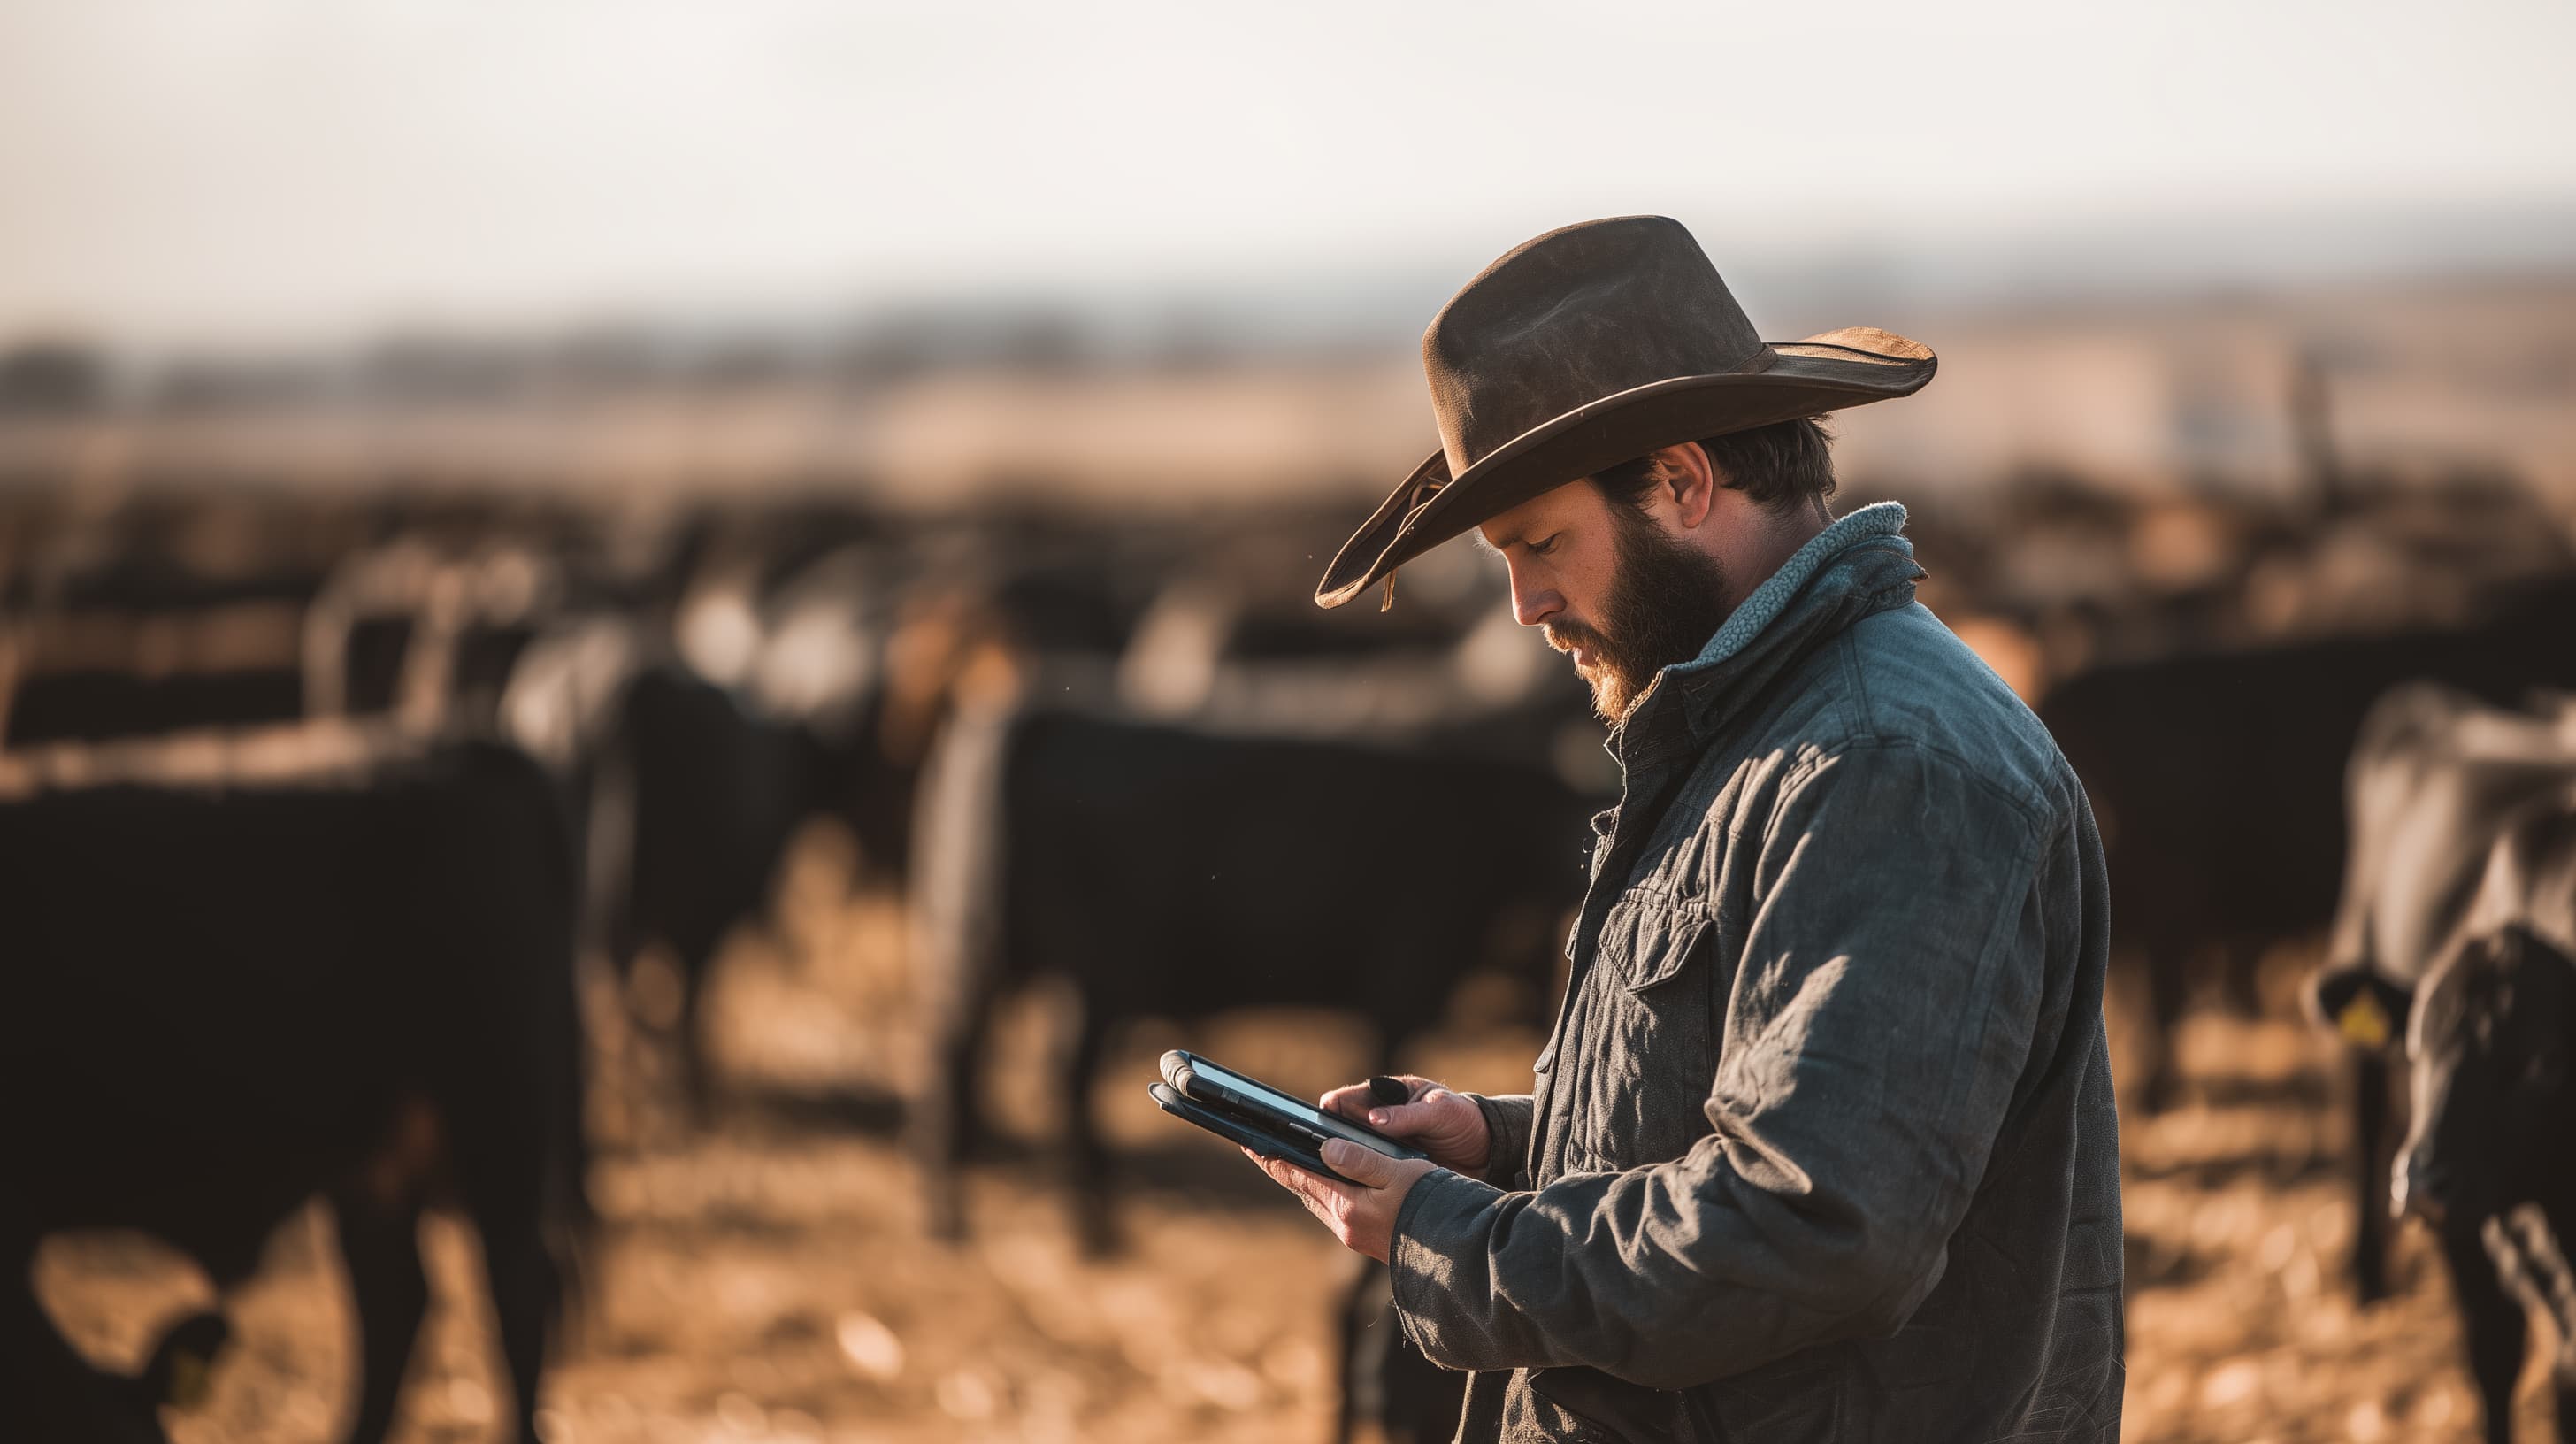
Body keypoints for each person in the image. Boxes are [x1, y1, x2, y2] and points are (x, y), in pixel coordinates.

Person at [1250, 216, 2124, 1443]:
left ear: (1683, 481)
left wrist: (1440, 1231)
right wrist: (1507, 1144)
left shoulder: (1878, 766)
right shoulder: (1755, 728)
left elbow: (1810, 1227)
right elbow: (1759, 1114)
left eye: (1543, 544)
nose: (1524, 604)